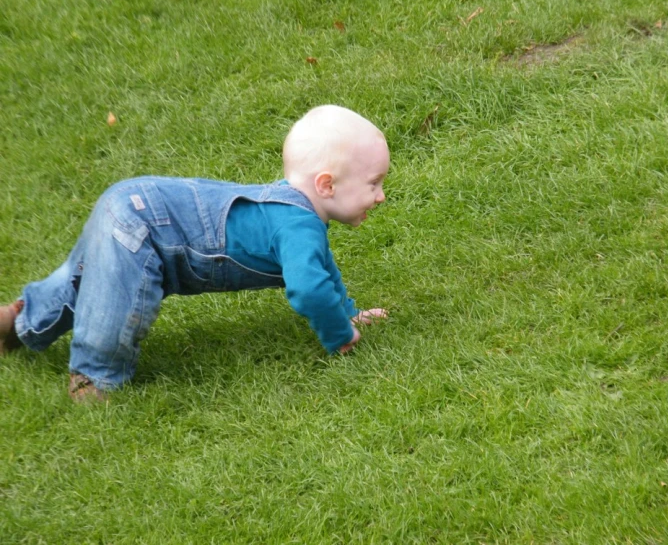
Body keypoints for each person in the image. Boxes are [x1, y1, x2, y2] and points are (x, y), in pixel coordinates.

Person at [0, 105, 389, 402]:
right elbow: (309, 290)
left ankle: (20, 320)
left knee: (88, 277)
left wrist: (350, 310)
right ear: (326, 185)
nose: (380, 195)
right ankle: (95, 377)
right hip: (146, 226)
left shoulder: (294, 212)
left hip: (131, 200)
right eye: (374, 183)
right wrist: (340, 333)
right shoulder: (298, 226)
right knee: (115, 299)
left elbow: (321, 271)